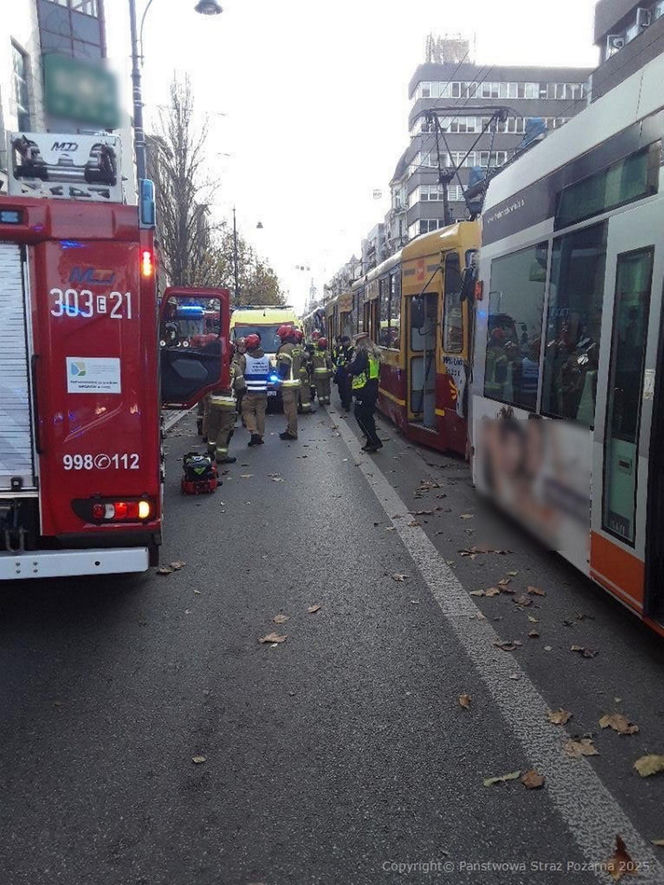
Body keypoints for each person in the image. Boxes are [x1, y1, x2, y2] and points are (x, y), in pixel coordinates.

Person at [348, 332, 381, 452]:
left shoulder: (362, 354)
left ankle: (374, 440)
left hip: (364, 389)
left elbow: (356, 369)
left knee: (360, 416)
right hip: (372, 387)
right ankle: (370, 441)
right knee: (368, 416)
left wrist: (348, 367)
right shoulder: (374, 353)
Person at [235, 333, 269, 446]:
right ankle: (260, 435)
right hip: (263, 391)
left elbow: (239, 373)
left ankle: (253, 432)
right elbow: (271, 372)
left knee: (247, 412)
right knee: (261, 413)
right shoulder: (266, 358)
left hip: (249, 392)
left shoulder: (245, 358)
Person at [276, 325, 301, 440]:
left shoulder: (285, 348)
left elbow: (284, 366)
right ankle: (290, 429)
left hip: (288, 384)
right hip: (296, 382)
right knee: (293, 408)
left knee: (289, 410)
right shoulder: (295, 347)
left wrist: (278, 381)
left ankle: (291, 432)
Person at [293, 329, 313, 414]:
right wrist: (309, 353)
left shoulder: (290, 347)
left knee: (295, 391)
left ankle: (296, 407)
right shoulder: (299, 347)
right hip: (302, 372)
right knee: (304, 390)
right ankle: (306, 408)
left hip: (293, 373)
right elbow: (305, 356)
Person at [312, 336, 333, 405]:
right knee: (326, 387)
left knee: (319, 388)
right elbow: (329, 363)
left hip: (317, 374)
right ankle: (327, 400)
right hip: (325, 374)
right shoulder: (326, 353)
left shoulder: (314, 353)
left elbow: (312, 363)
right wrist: (331, 371)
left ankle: (321, 401)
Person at [231, 337, 248, 425]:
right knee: (235, 402)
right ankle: (233, 419)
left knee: (245, 403)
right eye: (240, 346)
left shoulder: (248, 357)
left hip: (245, 383)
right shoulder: (234, 357)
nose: (242, 348)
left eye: (244, 347)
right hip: (235, 384)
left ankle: (245, 420)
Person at [335, 335, 354, 411]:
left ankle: (347, 404)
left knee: (347, 389)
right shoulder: (339, 349)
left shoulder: (352, 350)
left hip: (347, 372)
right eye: (344, 342)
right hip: (340, 371)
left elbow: (353, 361)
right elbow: (336, 358)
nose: (345, 343)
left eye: (346, 341)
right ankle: (344, 401)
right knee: (341, 388)